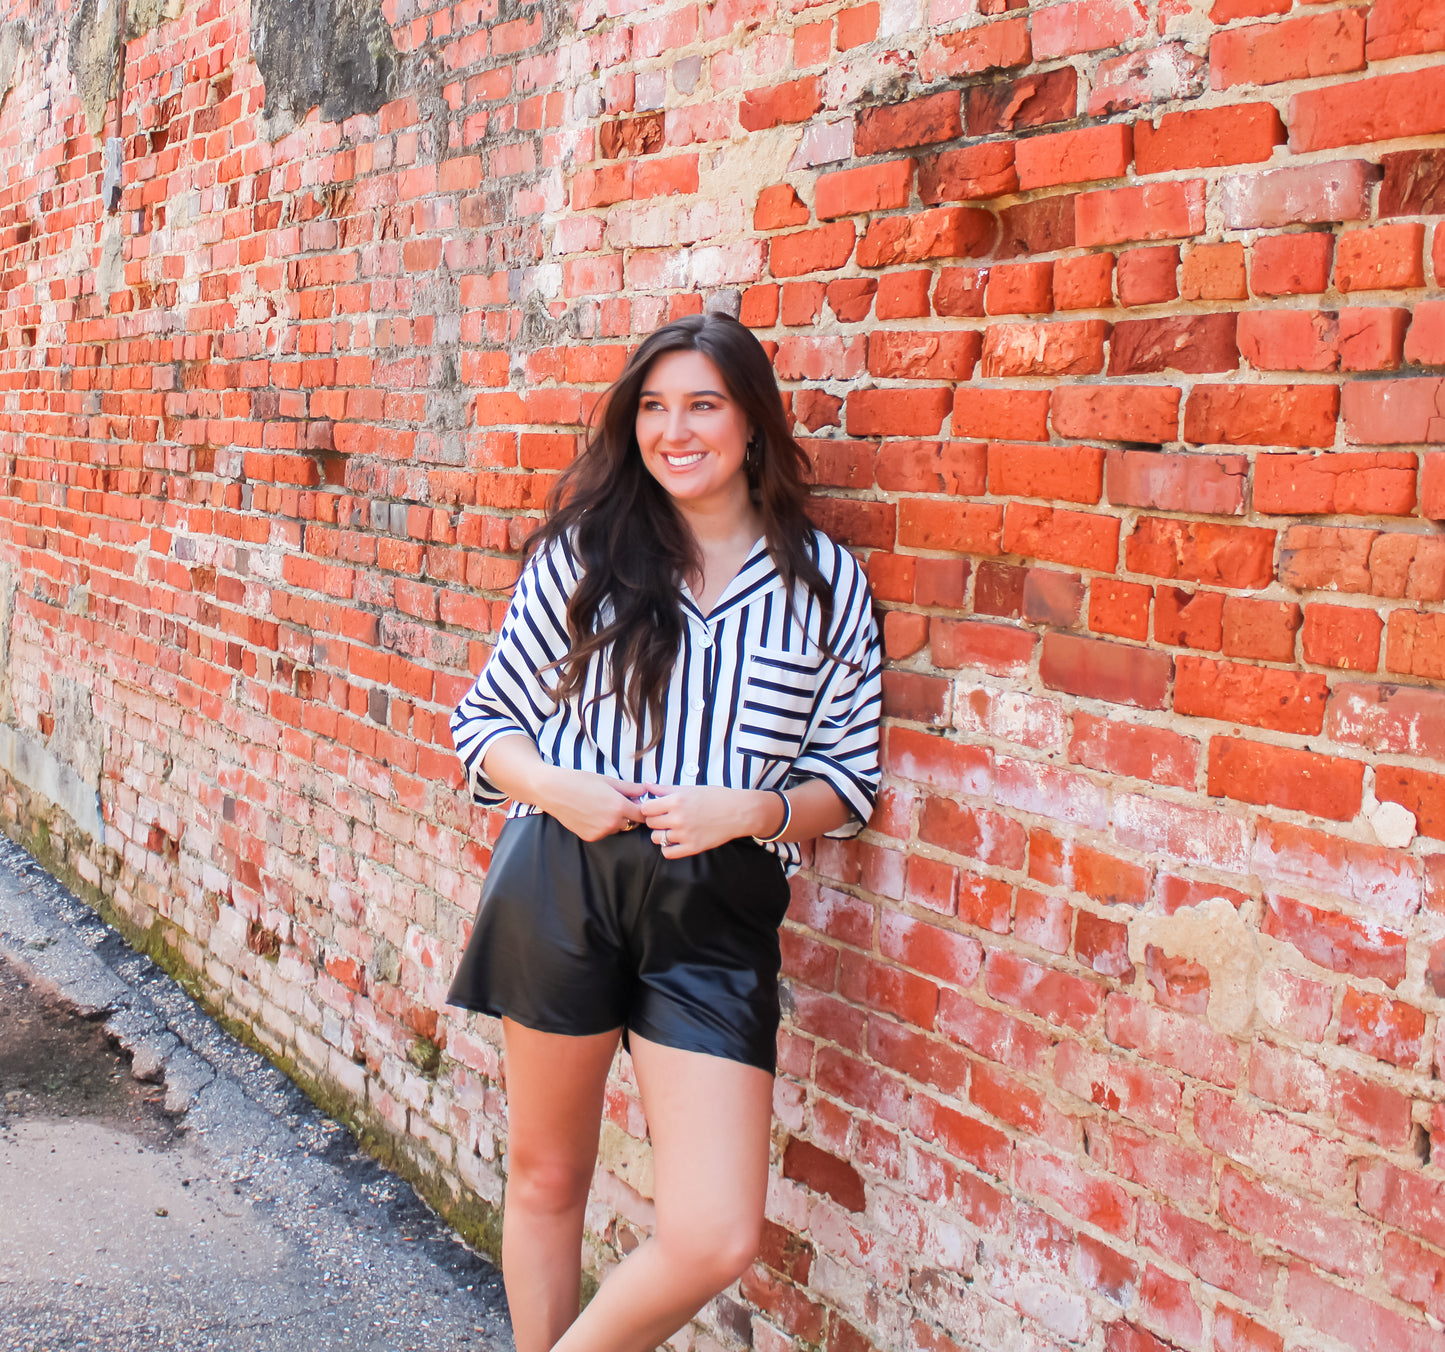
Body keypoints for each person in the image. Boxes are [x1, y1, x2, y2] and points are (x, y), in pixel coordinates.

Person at [446, 312, 882, 1352]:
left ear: (751, 423)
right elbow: (483, 725)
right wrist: (556, 787)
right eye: (651, 407)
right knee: (548, 1172)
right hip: (565, 877)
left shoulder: (821, 585)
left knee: (714, 1231)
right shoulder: (585, 556)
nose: (673, 430)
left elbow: (847, 777)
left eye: (701, 404)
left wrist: (758, 810)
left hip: (716, 907)